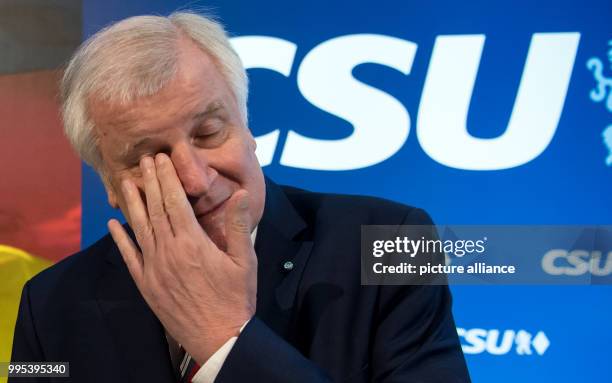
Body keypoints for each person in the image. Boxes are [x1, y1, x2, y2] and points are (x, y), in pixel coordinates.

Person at [10, 12, 470, 383]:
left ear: (247, 129)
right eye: (150, 157)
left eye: (209, 132)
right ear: (109, 182)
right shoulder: (50, 304)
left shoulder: (391, 243)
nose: (194, 179)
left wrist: (225, 338)